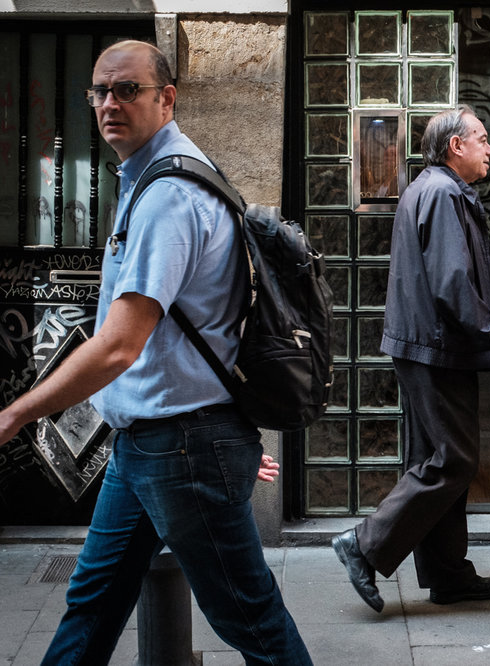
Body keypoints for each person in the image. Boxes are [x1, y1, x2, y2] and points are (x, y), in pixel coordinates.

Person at [0, 41, 311, 664]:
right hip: (152, 443)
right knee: (93, 605)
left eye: (127, 90)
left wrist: (15, 414)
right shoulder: (152, 177)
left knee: (251, 621)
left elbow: (119, 347)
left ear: (166, 98)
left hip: (183, 446)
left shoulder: (169, 195)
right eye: (99, 91)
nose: (109, 103)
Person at [331, 105, 490, 612]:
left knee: (434, 459)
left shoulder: (434, 190)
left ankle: (448, 574)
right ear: (456, 146)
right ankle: (363, 544)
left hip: (429, 345)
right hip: (437, 348)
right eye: (483, 139)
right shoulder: (445, 193)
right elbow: (454, 285)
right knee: (454, 459)